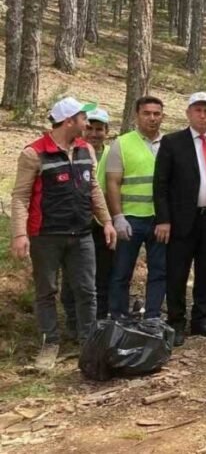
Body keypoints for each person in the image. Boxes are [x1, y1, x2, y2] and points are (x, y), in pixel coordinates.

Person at [11, 97, 116, 370]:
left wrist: (106, 221)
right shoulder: (33, 153)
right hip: (45, 235)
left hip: (81, 233)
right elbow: (20, 197)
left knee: (86, 290)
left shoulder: (85, 150)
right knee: (46, 291)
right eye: (84, 118)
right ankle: (50, 343)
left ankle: (89, 342)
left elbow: (93, 189)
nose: (88, 123)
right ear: (69, 121)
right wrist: (19, 234)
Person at [154, 92, 206, 347]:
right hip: (181, 221)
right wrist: (163, 219)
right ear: (188, 113)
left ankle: (202, 319)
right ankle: (176, 322)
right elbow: (161, 184)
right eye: (198, 110)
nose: (203, 115)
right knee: (177, 272)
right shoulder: (172, 142)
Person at [105, 96, 166, 320]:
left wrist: (167, 218)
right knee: (122, 271)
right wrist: (118, 216)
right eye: (146, 113)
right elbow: (113, 182)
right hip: (131, 219)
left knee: (159, 271)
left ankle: (152, 315)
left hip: (159, 220)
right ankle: (118, 315)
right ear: (136, 115)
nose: (152, 118)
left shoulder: (168, 143)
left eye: (156, 114)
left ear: (162, 116)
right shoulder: (122, 143)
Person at [60, 107, 114, 330]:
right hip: (76, 221)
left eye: (99, 129)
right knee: (72, 276)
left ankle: (99, 321)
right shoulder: (73, 151)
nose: (93, 133)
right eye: (89, 127)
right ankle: (73, 322)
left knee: (103, 273)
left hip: (104, 222)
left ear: (107, 131)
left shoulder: (113, 153)